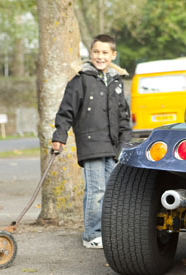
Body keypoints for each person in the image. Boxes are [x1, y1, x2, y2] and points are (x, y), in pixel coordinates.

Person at [51, 34, 131, 249]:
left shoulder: (116, 82)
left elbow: (123, 115)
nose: (100, 56)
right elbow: (66, 111)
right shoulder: (80, 81)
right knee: (97, 190)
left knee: (109, 190)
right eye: (96, 52)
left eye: (105, 53)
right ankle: (91, 235)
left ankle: (104, 230)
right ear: (90, 53)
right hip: (90, 143)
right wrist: (60, 136)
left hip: (112, 145)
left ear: (113, 55)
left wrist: (125, 142)